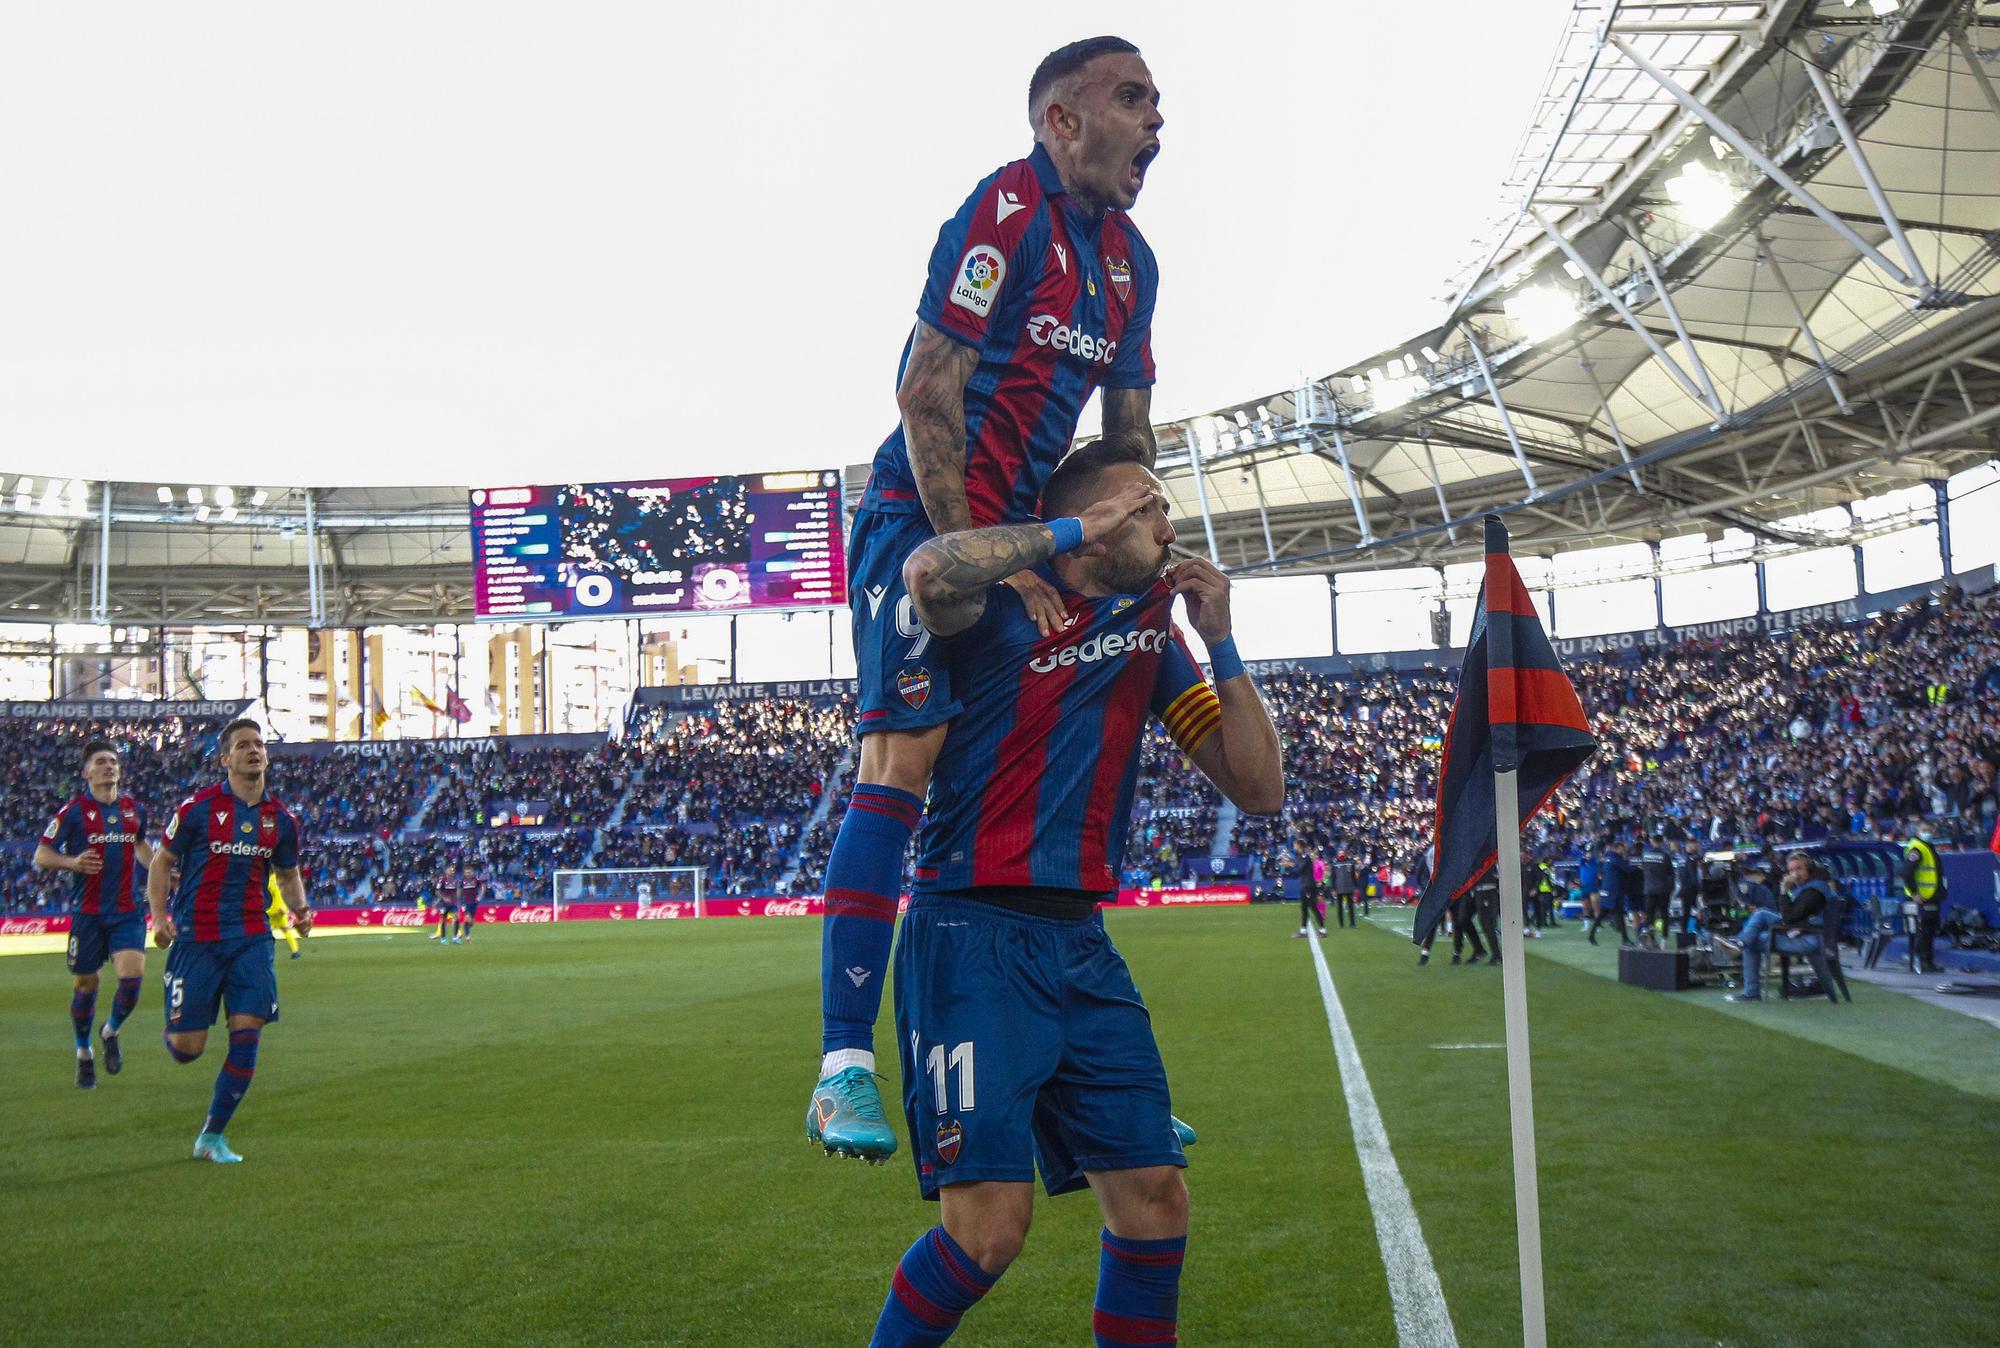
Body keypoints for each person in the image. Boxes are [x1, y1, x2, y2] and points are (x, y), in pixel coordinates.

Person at [810, 34, 1167, 1164]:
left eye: (1158, 102)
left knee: (1050, 734)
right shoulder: (1005, 212)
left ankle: (1076, 1060)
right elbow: (924, 392)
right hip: (921, 518)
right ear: (1060, 119)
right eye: (1130, 98)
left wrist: (1136, 541)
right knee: (905, 753)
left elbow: (1128, 431)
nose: (1156, 120)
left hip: (1023, 535)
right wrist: (986, 547)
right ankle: (840, 1068)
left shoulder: (1134, 266)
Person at [866, 438, 1282, 1345]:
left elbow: (1257, 789)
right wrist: (1060, 529)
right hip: (970, 935)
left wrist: (1221, 642)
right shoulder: (988, 609)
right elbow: (929, 570)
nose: (1172, 527)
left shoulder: (1151, 635)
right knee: (986, 1235)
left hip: (1081, 946)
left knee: (1156, 1200)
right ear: (1098, 521)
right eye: (1152, 506)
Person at [148, 718, 312, 1164]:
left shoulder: (281, 819)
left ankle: (211, 1137)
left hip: (251, 939)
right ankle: (176, 1022)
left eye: (259, 744)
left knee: (248, 1033)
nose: (254, 750)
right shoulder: (197, 809)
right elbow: (161, 863)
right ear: (225, 759)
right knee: (188, 1050)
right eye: (243, 745)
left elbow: (287, 873)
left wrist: (299, 909)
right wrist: (159, 917)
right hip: (197, 938)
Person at [34, 738, 156, 1088]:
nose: (108, 766)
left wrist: (162, 870)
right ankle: (83, 1052)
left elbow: (141, 845)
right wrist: (72, 861)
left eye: (113, 761)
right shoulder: (73, 813)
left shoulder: (134, 810)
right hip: (88, 914)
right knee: (86, 984)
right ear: (87, 772)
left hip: (127, 911)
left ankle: (110, 1031)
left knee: (132, 980)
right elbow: (42, 855)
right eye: (101, 762)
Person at [1726, 853, 1833, 1003]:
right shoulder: (1810, 886)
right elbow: (1790, 915)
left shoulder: (1813, 890)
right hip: (1802, 933)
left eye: (1799, 869)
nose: (1795, 874)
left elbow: (1789, 917)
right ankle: (1740, 943)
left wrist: (1784, 891)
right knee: (1759, 920)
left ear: (1808, 868)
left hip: (1808, 939)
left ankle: (1751, 989)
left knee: (1754, 934)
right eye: (1791, 870)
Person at [1900, 819, 1944, 975]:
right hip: (1923, 898)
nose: (1929, 834)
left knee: (1929, 930)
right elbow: (1906, 872)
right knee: (1924, 931)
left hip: (1931, 896)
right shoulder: (1917, 849)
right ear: (1918, 831)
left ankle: (1927, 961)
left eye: (1931, 831)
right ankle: (1921, 961)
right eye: (1925, 830)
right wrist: (1915, 893)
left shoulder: (1927, 847)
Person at [1295, 850, 1327, 938]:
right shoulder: (1310, 864)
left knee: (1317, 903)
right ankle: (1305, 930)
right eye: (1311, 855)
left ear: (1316, 856)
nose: (1312, 856)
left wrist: (1322, 882)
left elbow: (1325, 873)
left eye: (1313, 855)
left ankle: (1323, 917)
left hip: (1316, 885)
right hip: (1311, 885)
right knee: (1309, 906)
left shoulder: (1320, 863)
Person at [1331, 851, 1359, 930]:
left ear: (1346, 854)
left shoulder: (1350, 863)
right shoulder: (1335, 864)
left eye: (1343, 853)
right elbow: (1333, 877)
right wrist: (1333, 889)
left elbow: (1353, 876)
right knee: (1339, 907)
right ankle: (1341, 924)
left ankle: (1352, 923)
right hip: (1339, 888)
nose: (1341, 855)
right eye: (1340, 853)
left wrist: (1356, 887)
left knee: (1351, 907)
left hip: (1349, 887)